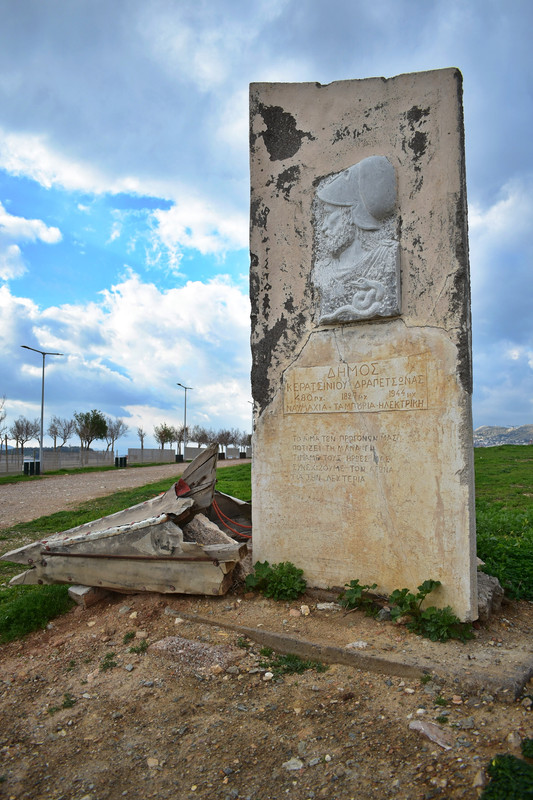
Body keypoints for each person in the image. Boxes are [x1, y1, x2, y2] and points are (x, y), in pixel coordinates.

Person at [314, 155, 400, 324]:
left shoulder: (386, 257)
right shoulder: (322, 270)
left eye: (328, 214)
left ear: (351, 214)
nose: (323, 227)